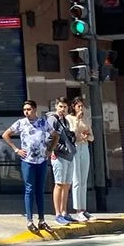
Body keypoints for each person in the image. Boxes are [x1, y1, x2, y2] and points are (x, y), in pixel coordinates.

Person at [2, 100, 58, 233]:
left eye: (29, 109)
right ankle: (29, 220)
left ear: (34, 109)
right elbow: (5, 135)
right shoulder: (21, 123)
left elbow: (55, 135)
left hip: (41, 160)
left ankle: (42, 219)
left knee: (40, 190)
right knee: (29, 189)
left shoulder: (43, 123)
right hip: (28, 160)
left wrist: (50, 150)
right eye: (24, 110)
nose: (26, 112)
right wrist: (16, 149)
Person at [49, 96, 77, 224]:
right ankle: (58, 214)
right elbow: (49, 138)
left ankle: (64, 211)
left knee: (66, 185)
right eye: (60, 106)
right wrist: (57, 149)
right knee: (59, 184)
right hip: (59, 155)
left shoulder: (65, 121)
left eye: (65, 107)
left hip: (69, 155)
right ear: (56, 106)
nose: (62, 109)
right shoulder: (52, 119)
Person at [68, 96, 95, 222]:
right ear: (73, 107)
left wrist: (87, 136)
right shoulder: (69, 118)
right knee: (77, 179)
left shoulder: (86, 119)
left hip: (84, 146)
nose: (81, 108)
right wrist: (77, 120)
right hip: (75, 147)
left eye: (82, 106)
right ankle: (77, 209)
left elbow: (92, 137)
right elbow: (71, 133)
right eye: (78, 106)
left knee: (84, 179)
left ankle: (84, 208)